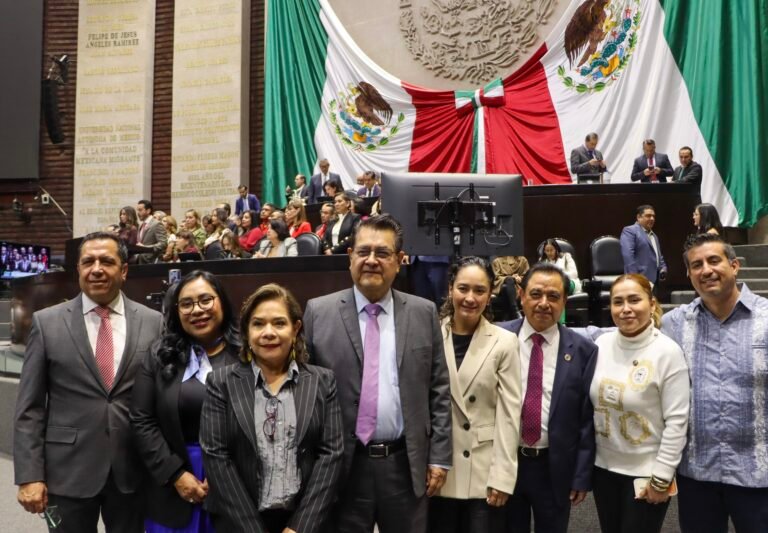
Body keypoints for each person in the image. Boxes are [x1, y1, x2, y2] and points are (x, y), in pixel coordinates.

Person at [303, 214, 452, 533]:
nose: (371, 260)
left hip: (404, 464)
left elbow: (439, 389)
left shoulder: (423, 312)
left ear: (399, 261)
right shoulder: (318, 312)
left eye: (382, 253)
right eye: (363, 251)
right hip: (341, 466)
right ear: (350, 257)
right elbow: (305, 396)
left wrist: (439, 457)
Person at [14, 232, 163, 533]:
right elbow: (30, 407)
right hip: (67, 471)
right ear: (78, 269)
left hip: (132, 470)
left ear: (123, 270)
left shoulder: (153, 322)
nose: (96, 269)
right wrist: (30, 475)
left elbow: (161, 400)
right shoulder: (47, 322)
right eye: (88, 262)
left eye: (106, 261)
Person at [200, 283, 344, 533]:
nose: (268, 332)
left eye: (279, 323)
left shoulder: (322, 381)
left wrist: (300, 527)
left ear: (295, 328)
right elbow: (216, 457)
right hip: (240, 523)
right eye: (258, 324)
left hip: (306, 522)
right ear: (247, 331)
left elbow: (331, 455)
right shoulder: (221, 383)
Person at [661, 233, 768, 533]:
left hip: (759, 474)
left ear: (734, 265)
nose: (706, 270)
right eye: (697, 265)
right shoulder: (675, 323)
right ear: (689, 274)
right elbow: (624, 335)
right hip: (698, 473)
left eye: (714, 260)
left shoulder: (765, 318)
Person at [130, 271, 241, 532]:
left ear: (222, 302)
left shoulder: (247, 353)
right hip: (173, 481)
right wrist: (175, 474)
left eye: (206, 300)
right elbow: (141, 420)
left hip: (236, 483)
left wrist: (226, 473)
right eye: (186, 304)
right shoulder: (159, 355)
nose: (197, 310)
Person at [497, 263, 598, 533]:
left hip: (554, 467)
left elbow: (586, 419)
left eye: (553, 296)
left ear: (564, 301)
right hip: (506, 463)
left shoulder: (583, 350)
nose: (544, 303)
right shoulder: (497, 337)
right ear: (521, 295)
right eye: (536, 294)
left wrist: (581, 475)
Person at [591, 274, 689, 533]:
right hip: (603, 469)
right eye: (618, 302)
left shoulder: (668, 352)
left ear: (652, 304)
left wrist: (662, 477)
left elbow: (677, 421)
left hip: (647, 473)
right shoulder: (601, 344)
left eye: (634, 300)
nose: (626, 309)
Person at [429, 257, 521, 533]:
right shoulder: (430, 334)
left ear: (490, 294)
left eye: (479, 290)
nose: (470, 298)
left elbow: (509, 414)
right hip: (438, 469)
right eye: (463, 288)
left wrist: (503, 476)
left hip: (483, 472)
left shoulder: (505, 342)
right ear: (450, 289)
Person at [620, 205, 668, 285]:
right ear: (638, 217)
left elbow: (658, 255)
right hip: (639, 280)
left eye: (653, 216)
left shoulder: (654, 236)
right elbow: (628, 256)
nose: (652, 219)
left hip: (654, 280)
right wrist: (634, 278)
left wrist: (663, 268)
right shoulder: (630, 231)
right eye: (648, 216)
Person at [136, 199, 169, 264]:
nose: (138, 213)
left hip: (152, 262)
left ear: (148, 211)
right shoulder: (141, 225)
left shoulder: (157, 224)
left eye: (140, 210)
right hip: (141, 261)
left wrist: (145, 248)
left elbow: (163, 244)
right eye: (138, 210)